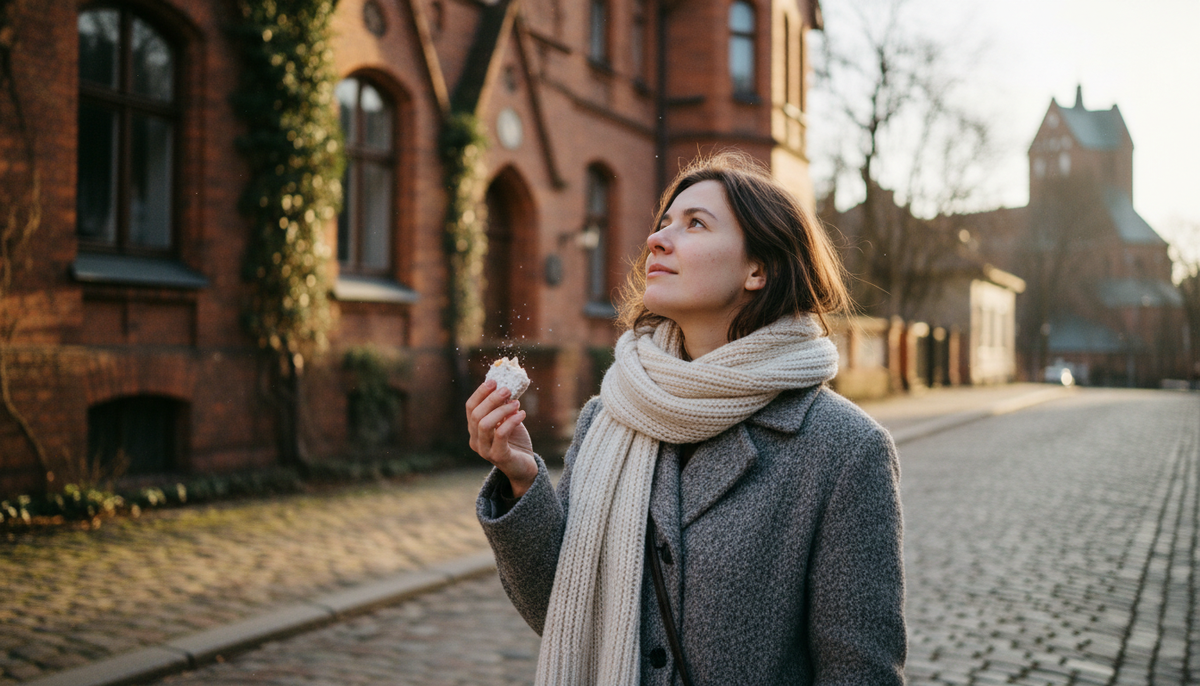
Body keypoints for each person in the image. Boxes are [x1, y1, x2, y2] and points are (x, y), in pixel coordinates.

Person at [466, 152, 906, 685]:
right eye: (663, 223)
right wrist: (521, 475)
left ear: (757, 269)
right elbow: (563, 610)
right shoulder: (611, 417)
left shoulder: (844, 449)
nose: (656, 239)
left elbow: (859, 672)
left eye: (695, 223)